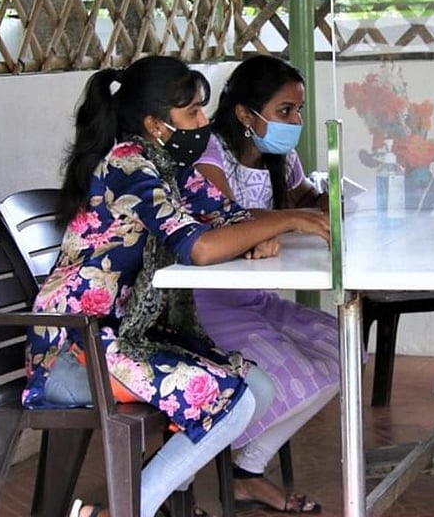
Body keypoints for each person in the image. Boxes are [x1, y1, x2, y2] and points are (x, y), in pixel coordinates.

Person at [22, 56, 329, 517]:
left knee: (256, 387)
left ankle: (146, 504)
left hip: (127, 340)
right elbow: (199, 248)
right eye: (193, 113)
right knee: (229, 399)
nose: (205, 123)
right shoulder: (129, 167)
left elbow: (228, 216)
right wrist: (286, 220)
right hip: (75, 349)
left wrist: (262, 231)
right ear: (156, 123)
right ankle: (125, 511)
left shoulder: (170, 168)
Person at [188, 54, 340, 513]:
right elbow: (220, 216)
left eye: (297, 110)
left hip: (255, 298)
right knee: (303, 374)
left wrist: (324, 202)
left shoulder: (279, 156)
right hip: (204, 305)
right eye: (285, 111)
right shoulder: (209, 152)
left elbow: (301, 201)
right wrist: (292, 218)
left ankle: (246, 470)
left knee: (344, 350)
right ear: (244, 114)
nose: (294, 122)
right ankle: (216, 460)